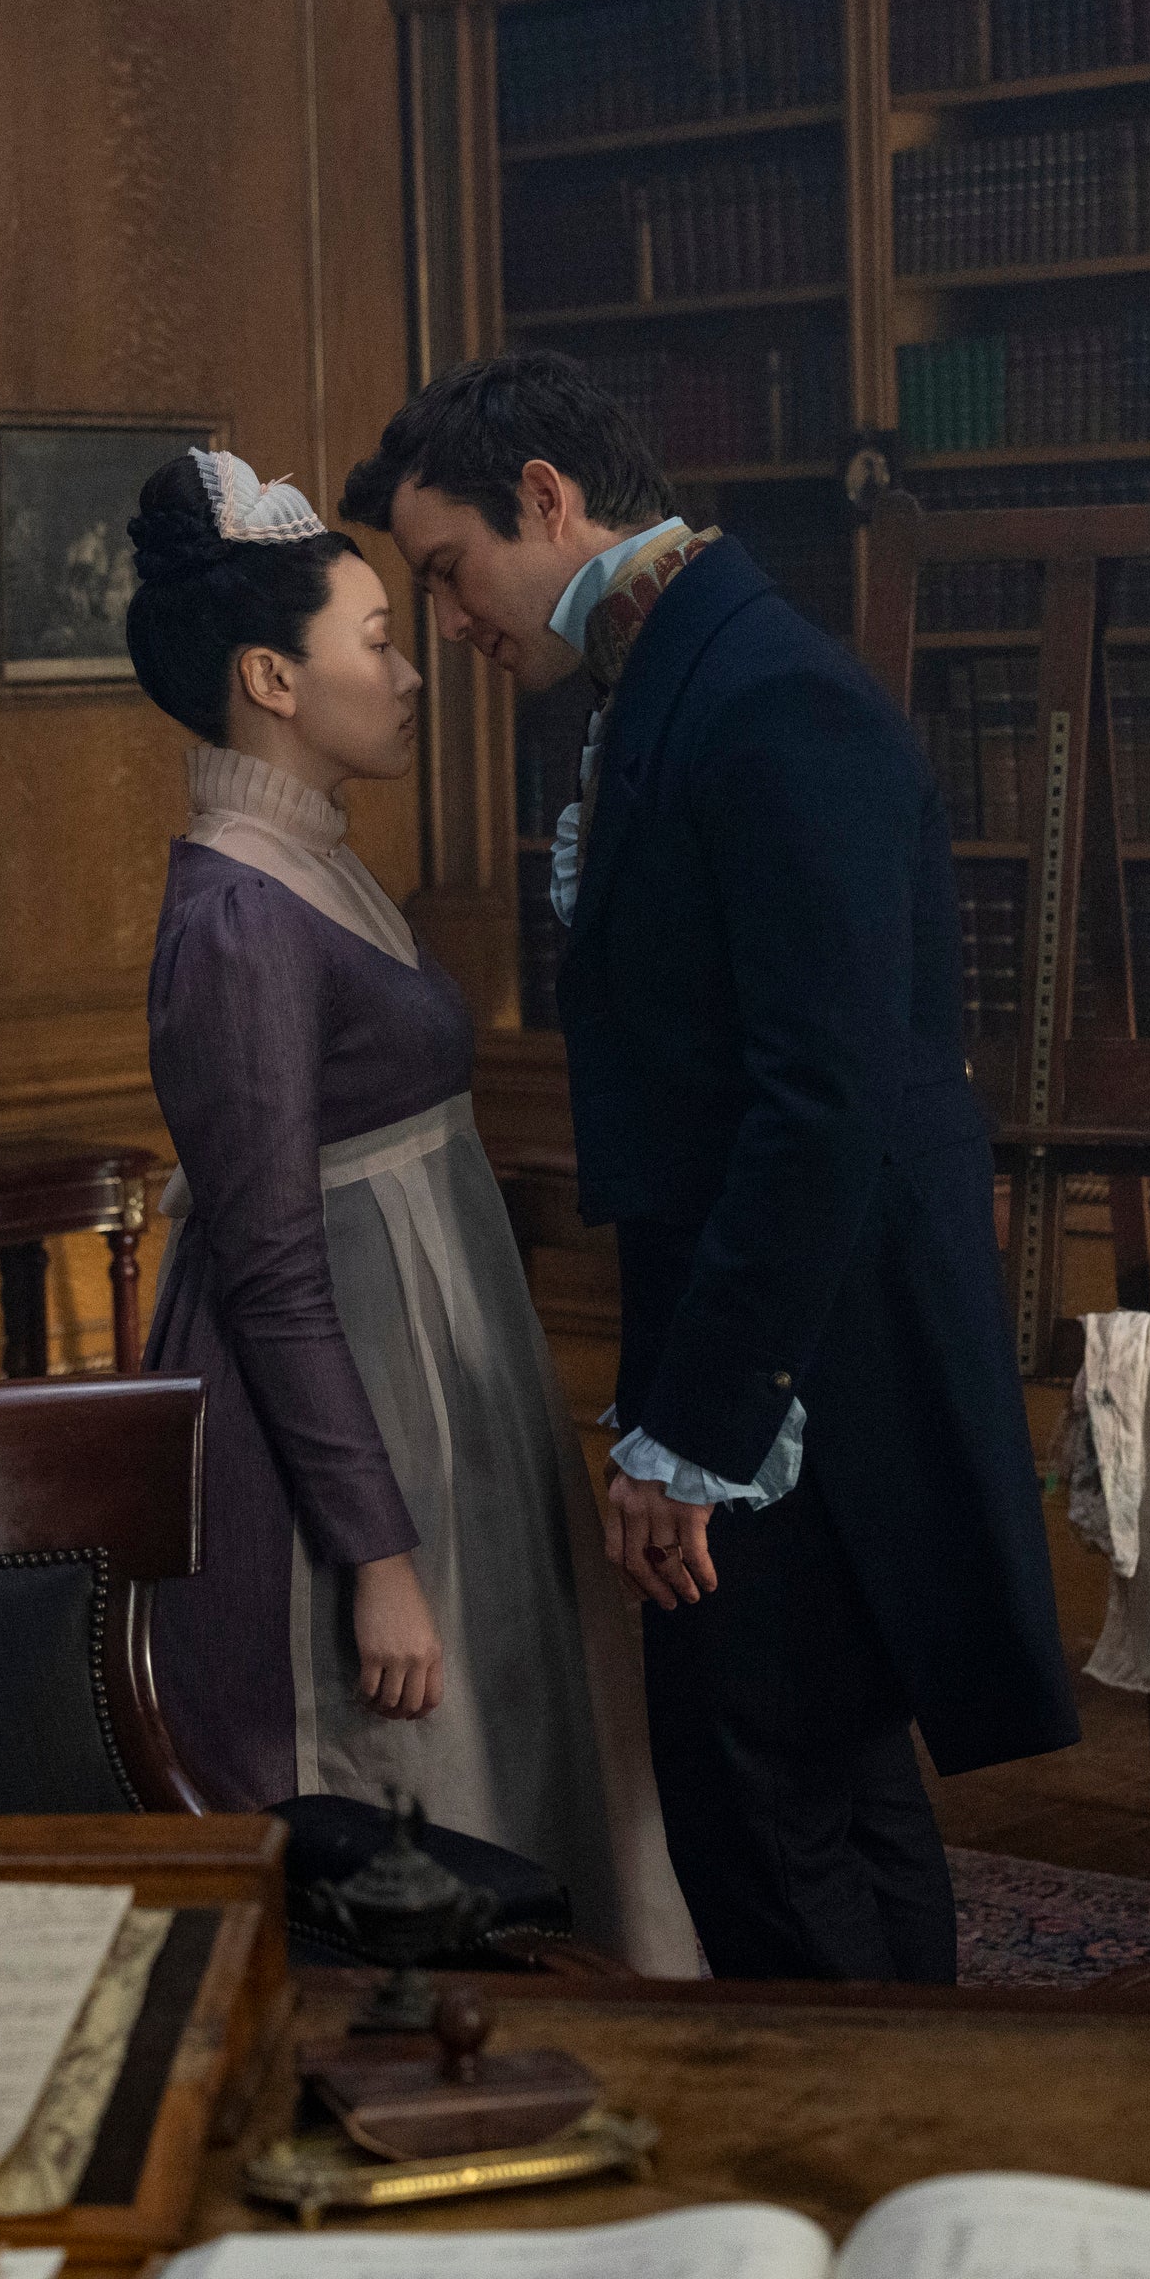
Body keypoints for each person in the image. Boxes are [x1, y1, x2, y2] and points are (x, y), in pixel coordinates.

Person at [341, 354, 1079, 1984]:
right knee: (824, 1796)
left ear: (548, 499)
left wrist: (693, 1437)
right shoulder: (675, 674)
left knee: (762, 1807)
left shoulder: (768, 698)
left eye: (448, 570)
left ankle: (842, 2132)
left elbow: (821, 1105)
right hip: (762, 1332)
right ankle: (912, 2124)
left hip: (814, 1359)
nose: (447, 622)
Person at [125, 446, 696, 1977]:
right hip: (343, 1429)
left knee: (524, 1751)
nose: (409, 673)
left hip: (433, 1383)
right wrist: (378, 1559)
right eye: (374, 643)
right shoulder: (239, 917)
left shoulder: (312, 862)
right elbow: (270, 1269)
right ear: (271, 679)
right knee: (401, 1794)